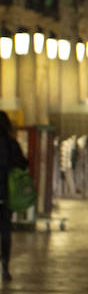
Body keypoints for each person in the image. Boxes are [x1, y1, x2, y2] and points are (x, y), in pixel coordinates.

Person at [0, 111, 28, 281]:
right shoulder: (12, 143)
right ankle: (5, 266)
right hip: (7, 192)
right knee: (5, 230)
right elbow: (23, 164)